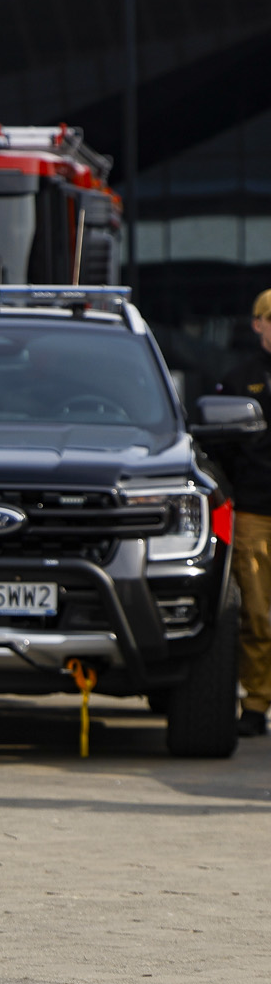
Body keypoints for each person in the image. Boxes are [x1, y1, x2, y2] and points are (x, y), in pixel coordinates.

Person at [214, 289, 271, 737]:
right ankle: (255, 703)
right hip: (256, 512)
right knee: (257, 615)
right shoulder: (239, 381)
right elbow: (220, 452)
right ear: (258, 324)